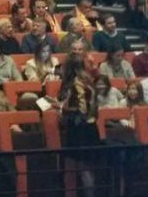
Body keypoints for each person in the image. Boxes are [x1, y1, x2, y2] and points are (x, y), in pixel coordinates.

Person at [56, 57, 100, 197]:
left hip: (80, 128)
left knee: (83, 167)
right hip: (91, 126)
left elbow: (81, 110)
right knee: (88, 167)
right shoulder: (88, 81)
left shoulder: (76, 83)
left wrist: (61, 107)